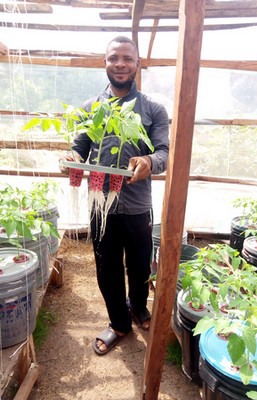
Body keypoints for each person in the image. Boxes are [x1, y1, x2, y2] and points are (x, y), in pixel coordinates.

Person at [61, 36, 170, 355]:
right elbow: (79, 148)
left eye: (127, 58)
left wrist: (149, 161)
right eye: (113, 58)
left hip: (137, 205)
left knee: (140, 265)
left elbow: (163, 152)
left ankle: (138, 306)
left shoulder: (153, 109)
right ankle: (119, 322)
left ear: (138, 64)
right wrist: (72, 159)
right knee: (107, 267)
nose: (120, 64)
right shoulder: (90, 109)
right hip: (101, 204)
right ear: (105, 62)